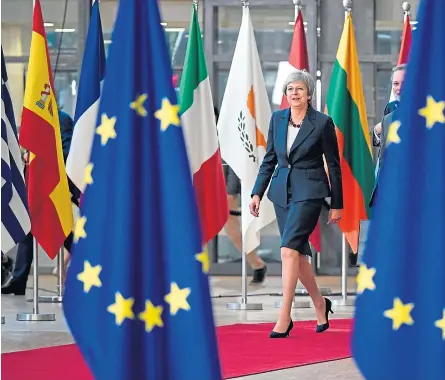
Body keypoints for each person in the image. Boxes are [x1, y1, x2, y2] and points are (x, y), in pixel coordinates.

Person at [249, 70, 343, 337]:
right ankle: (320, 303)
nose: (294, 93)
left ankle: (284, 316)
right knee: (297, 255)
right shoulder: (277, 119)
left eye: (299, 89)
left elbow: (333, 167)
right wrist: (257, 192)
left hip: (310, 192)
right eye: (290, 89)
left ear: (309, 94)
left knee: (288, 251)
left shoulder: (323, 123)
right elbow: (269, 159)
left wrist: (337, 204)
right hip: (281, 192)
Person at [2, 109, 78, 295]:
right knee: (32, 227)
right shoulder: (34, 116)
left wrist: (43, 156)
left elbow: (67, 150)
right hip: (37, 181)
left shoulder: (61, 118)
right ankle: (19, 280)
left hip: (54, 182)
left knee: (60, 226)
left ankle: (88, 256)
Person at [215, 107, 267, 283]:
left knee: (232, 228)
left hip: (224, 187)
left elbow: (235, 163)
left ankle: (257, 264)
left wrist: (231, 191)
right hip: (201, 186)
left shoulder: (227, 131)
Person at [370, 64, 406, 207]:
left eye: (404, 83)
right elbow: (384, 143)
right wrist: (378, 131)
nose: (399, 88)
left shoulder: (427, 109)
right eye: (396, 84)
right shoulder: (391, 108)